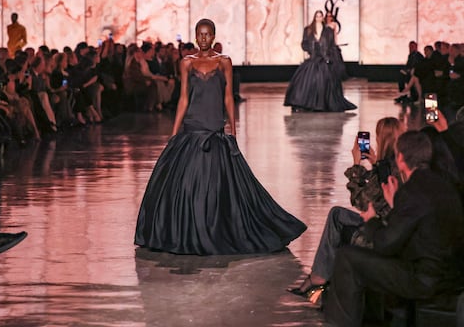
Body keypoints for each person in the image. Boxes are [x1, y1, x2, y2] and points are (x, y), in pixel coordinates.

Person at [134, 19, 307, 255]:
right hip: (193, 125)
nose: (204, 39)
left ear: (213, 36)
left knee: (221, 182)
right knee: (186, 183)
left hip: (215, 125)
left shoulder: (224, 62)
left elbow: (227, 96)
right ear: (195, 37)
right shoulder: (186, 63)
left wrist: (233, 128)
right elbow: (184, 98)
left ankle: (219, 230)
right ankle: (188, 232)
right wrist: (174, 133)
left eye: (208, 35)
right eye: (200, 35)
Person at [324, 131, 464, 326]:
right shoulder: (443, 185)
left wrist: (372, 220)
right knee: (365, 261)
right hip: (451, 274)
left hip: (424, 279)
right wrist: (395, 203)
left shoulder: (413, 190)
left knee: (347, 257)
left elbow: (384, 244)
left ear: (400, 159)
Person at [287, 117, 404, 303]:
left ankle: (318, 279)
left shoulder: (386, 168)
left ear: (383, 139)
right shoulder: (395, 164)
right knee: (337, 214)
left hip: (380, 231)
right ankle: (319, 278)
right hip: (389, 225)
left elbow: (361, 202)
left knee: (337, 217)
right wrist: (374, 163)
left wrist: (356, 165)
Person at [284, 10, 356, 112]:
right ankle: (304, 104)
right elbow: (304, 43)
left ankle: (323, 104)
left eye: (320, 16)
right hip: (313, 58)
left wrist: (330, 57)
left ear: (322, 18)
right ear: (314, 17)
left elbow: (331, 45)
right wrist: (310, 50)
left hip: (324, 59)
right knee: (306, 81)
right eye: (317, 16)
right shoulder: (308, 30)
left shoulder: (328, 31)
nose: (318, 18)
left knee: (325, 81)